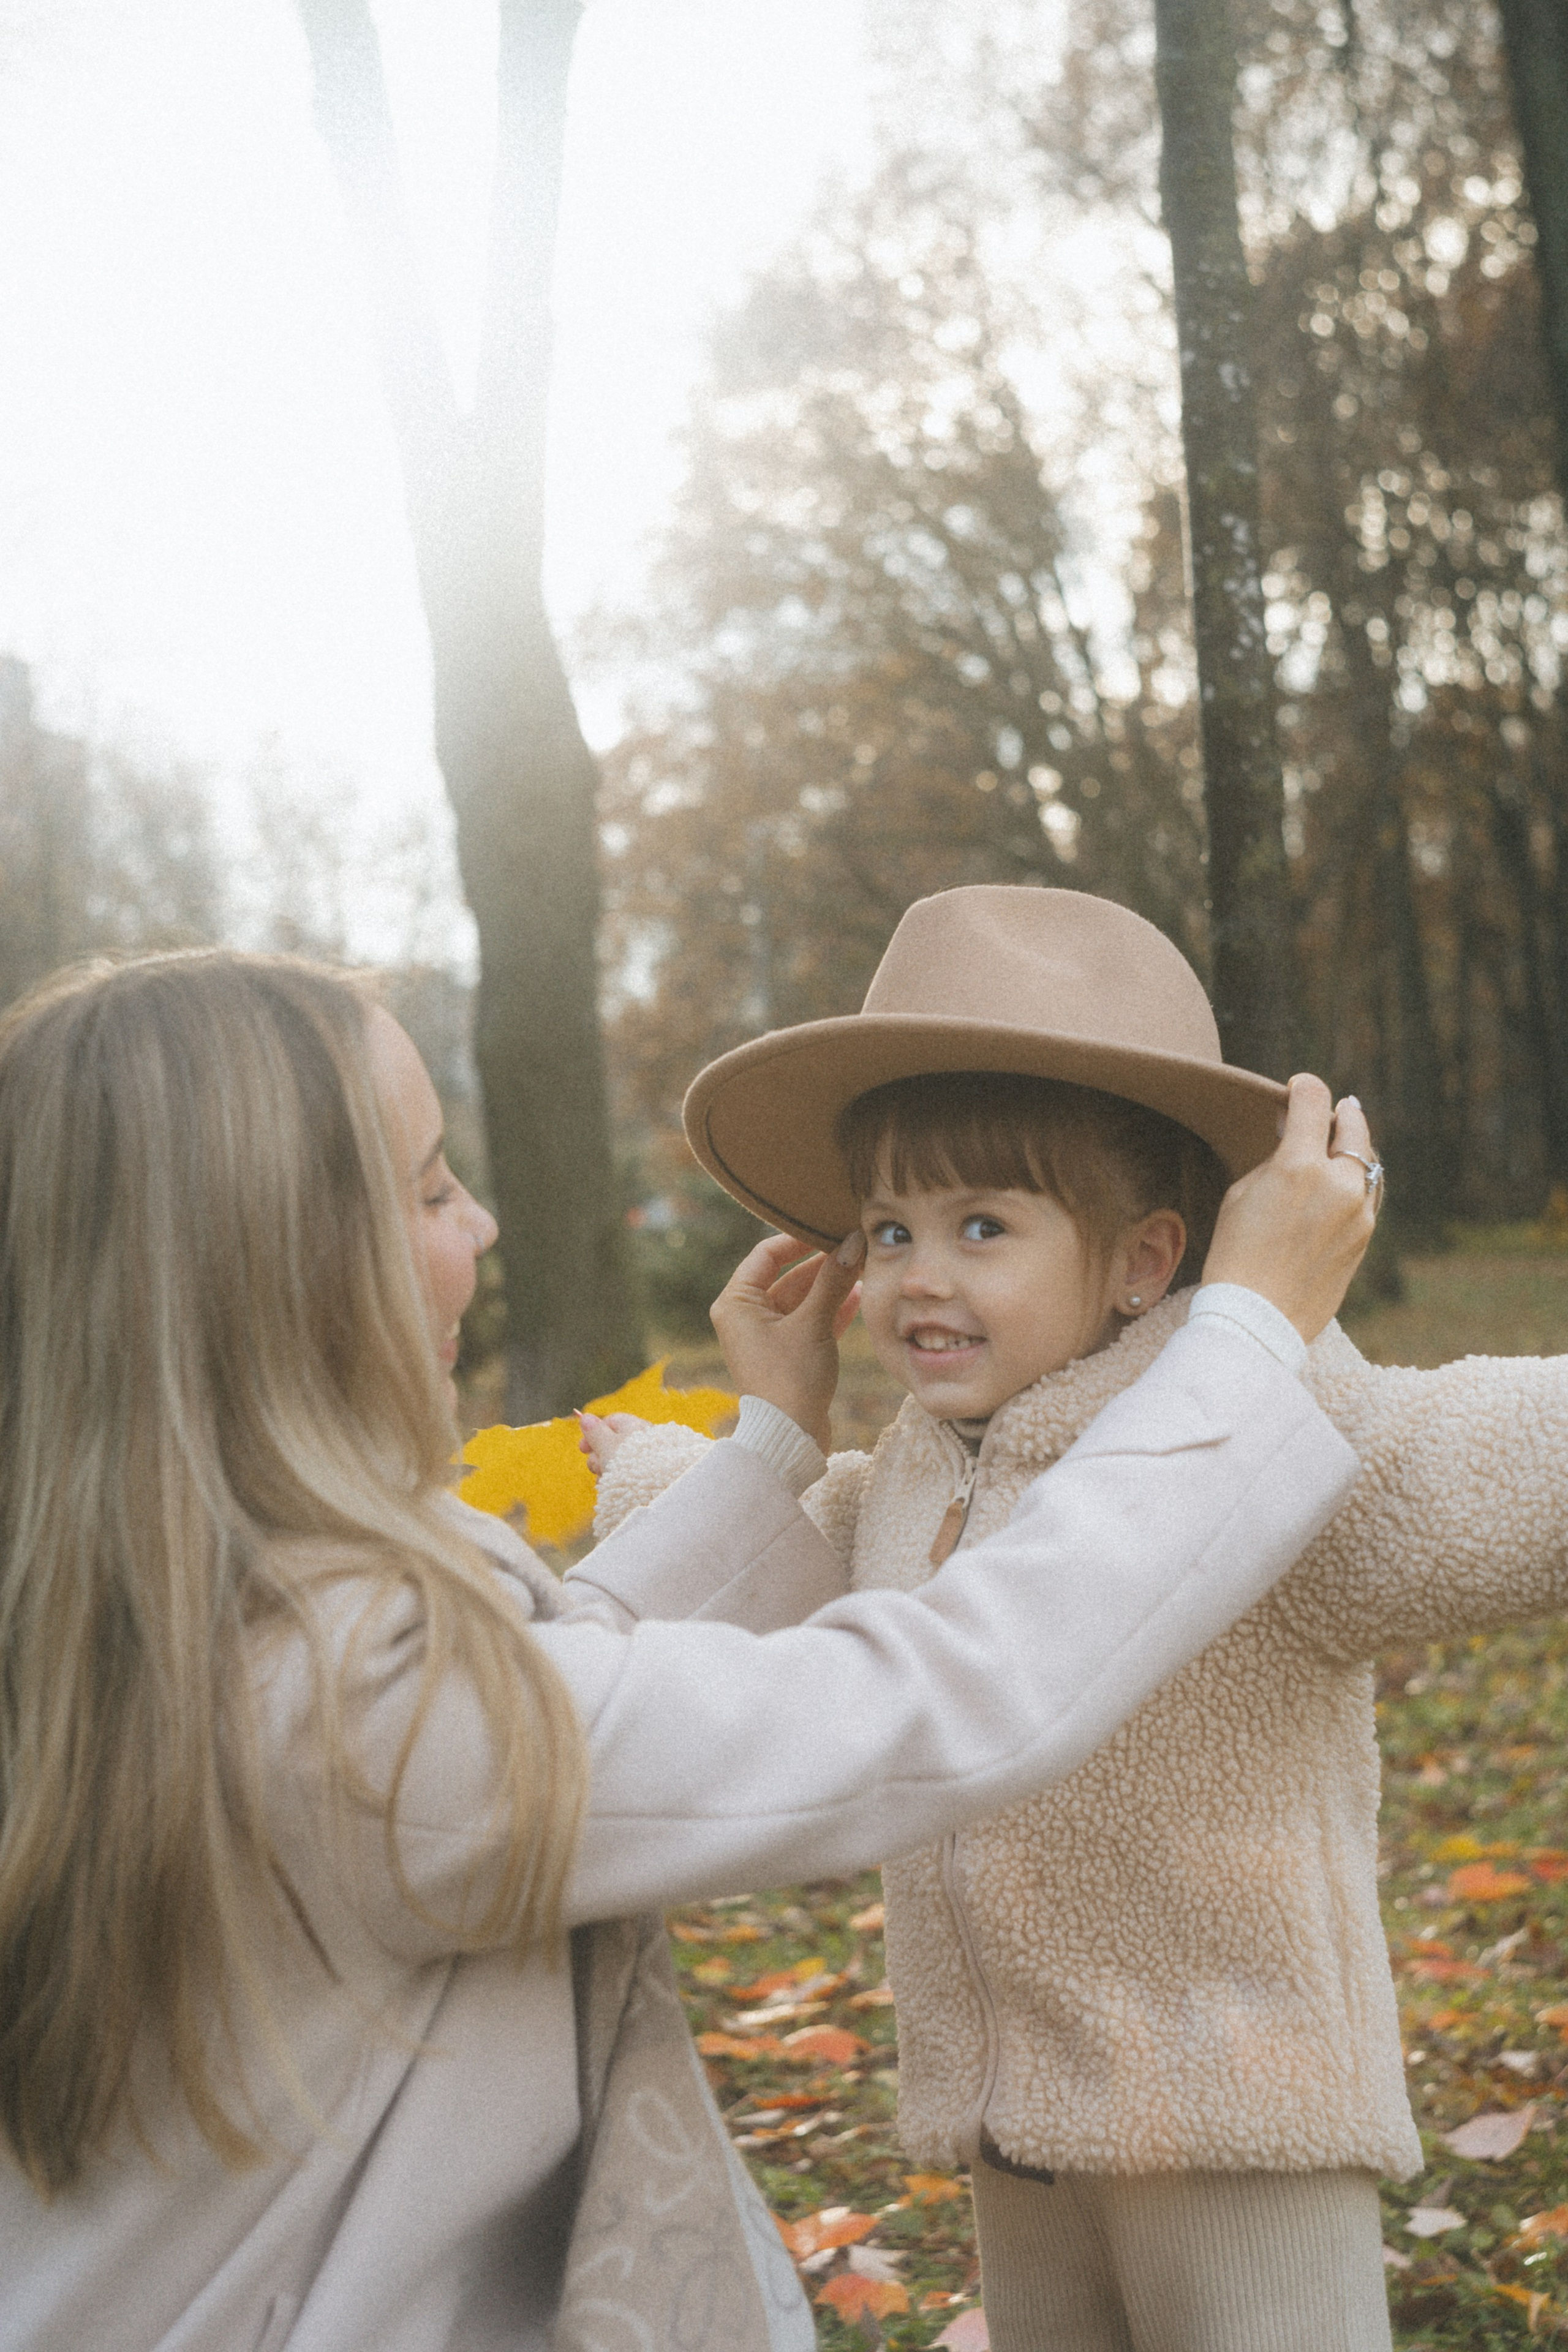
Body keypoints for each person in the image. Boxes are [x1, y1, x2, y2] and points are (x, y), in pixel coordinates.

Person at [0, 948, 1371, 2352]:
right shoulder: (336, 1704)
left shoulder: (163, 1618)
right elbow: (932, 1698)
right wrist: (1244, 1340)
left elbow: (556, 1678)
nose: (476, 1225)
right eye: (424, 1189)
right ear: (271, 1263)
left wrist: (767, 1445)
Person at [592, 884, 1568, 2352]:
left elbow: (1469, 1461)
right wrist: (713, 1456)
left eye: (982, 1225)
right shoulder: (920, 1468)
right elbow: (804, 1583)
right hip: (1017, 2131)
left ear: (1141, 1258)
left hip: (1240, 2134)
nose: (919, 1274)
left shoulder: (1267, 1443)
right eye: (889, 1227)